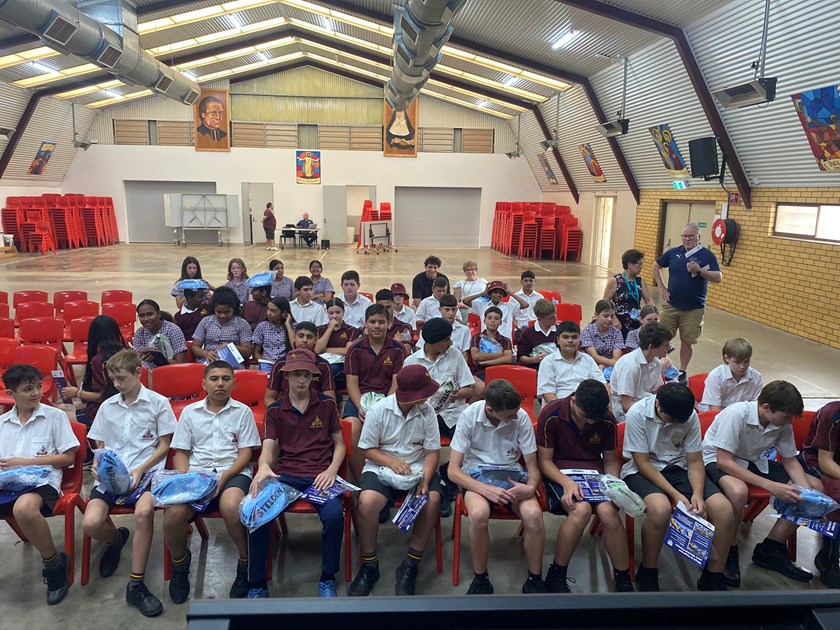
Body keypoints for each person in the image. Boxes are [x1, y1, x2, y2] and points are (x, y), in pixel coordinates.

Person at [83, 349, 176, 617]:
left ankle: (136, 583)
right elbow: (100, 444)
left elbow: (164, 445)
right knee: (90, 523)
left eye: (121, 378)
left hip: (146, 474)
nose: (116, 384)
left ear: (138, 373)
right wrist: (98, 464)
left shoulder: (158, 403)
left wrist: (140, 468)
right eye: (112, 379)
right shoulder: (108, 406)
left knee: (144, 512)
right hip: (112, 475)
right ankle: (115, 540)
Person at [247, 349, 345, 598]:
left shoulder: (327, 405)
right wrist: (264, 466)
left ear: (313, 377)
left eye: (306, 375)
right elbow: (268, 448)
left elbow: (340, 444)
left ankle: (327, 577)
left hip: (320, 476)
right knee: (257, 513)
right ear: (285, 377)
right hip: (286, 476)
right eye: (295, 375)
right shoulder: (275, 410)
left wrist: (332, 470)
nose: (301, 380)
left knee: (334, 517)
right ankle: (257, 583)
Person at [703, 381, 821, 587]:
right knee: (738, 493)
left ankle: (771, 548)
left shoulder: (781, 422)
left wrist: (807, 492)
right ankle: (730, 550)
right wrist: (771, 486)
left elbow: (790, 460)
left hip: (752, 462)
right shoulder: (736, 414)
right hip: (716, 460)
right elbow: (724, 461)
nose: (787, 422)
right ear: (766, 407)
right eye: (785, 417)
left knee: (815, 488)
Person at [164, 361, 262, 604]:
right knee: (173, 515)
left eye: (226, 379)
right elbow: (182, 452)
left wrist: (224, 478)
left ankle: (244, 562)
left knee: (231, 506)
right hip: (198, 475)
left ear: (233, 383)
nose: (220, 383)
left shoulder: (242, 411)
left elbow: (245, 454)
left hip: (233, 472)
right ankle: (179, 563)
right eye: (214, 378)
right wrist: (186, 479)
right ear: (204, 383)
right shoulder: (190, 412)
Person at [621, 383, 734, 592]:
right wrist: (675, 494)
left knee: (723, 509)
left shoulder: (689, 415)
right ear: (657, 404)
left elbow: (694, 461)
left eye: (678, 422)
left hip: (678, 467)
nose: (675, 424)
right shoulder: (637, 413)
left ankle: (713, 575)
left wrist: (698, 494)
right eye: (670, 420)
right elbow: (642, 462)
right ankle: (648, 570)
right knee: (660, 509)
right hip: (643, 470)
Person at [349, 364, 442, 596]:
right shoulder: (380, 410)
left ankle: (411, 563)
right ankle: (369, 564)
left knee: (431, 499)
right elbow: (366, 448)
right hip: (381, 465)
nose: (428, 396)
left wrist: (425, 479)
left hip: (418, 466)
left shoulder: (427, 412)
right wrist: (390, 462)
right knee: (368, 501)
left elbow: (432, 452)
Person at [447, 379, 545, 595]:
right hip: (476, 474)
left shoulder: (521, 417)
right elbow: (453, 471)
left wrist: (530, 487)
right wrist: (484, 489)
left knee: (534, 515)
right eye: (510, 414)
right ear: (490, 409)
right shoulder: (469, 416)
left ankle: (535, 579)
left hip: (511, 473)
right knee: (479, 514)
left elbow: (533, 467)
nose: (516, 416)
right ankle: (481, 578)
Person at [536, 379, 632, 593]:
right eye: (585, 417)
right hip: (559, 473)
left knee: (608, 512)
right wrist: (566, 482)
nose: (589, 423)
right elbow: (544, 462)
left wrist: (614, 483)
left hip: (593, 474)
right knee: (581, 510)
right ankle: (557, 573)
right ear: (573, 400)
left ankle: (623, 577)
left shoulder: (606, 419)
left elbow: (609, 460)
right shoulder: (551, 415)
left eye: (593, 420)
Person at [0, 363, 79, 605]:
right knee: (18, 506)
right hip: (7, 482)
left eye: (37, 387)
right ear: (11, 395)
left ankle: (54, 564)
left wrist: (22, 462)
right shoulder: (2, 423)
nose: (35, 393)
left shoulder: (54, 416)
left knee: (23, 508)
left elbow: (68, 458)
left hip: (42, 481)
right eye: (27, 389)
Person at [405, 318, 475, 517]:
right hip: (424, 414)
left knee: (470, 446)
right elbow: (406, 396)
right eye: (445, 340)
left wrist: (457, 394)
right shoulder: (411, 362)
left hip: (453, 413)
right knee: (422, 450)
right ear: (431, 342)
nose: (450, 343)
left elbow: (469, 387)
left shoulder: (455, 356)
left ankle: (447, 475)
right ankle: (436, 487)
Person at [345, 304, 406, 482]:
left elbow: (396, 383)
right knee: (352, 428)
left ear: (389, 324)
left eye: (381, 322)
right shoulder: (354, 350)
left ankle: (389, 476)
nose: (377, 326)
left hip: (389, 400)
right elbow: (352, 384)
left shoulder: (398, 349)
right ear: (366, 324)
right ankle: (361, 480)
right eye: (372, 322)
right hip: (359, 399)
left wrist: (382, 408)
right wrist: (361, 407)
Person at [652, 223, 722, 377]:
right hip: (672, 305)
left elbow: (718, 277)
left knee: (687, 341)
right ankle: (658, 365)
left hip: (694, 308)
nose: (688, 239)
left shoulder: (707, 255)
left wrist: (699, 270)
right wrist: (662, 287)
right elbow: (655, 266)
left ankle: (682, 370)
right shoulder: (673, 253)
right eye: (685, 236)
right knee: (662, 337)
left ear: (698, 237)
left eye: (691, 236)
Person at [801, 400, 840, 588]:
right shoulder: (833, 414)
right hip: (818, 463)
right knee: (838, 494)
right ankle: (828, 558)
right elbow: (826, 462)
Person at [61, 314, 127, 425]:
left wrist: (77, 392)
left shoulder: (100, 360)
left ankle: (87, 440)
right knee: (70, 406)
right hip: (125, 407)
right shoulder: (128, 353)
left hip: (107, 412)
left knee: (60, 412)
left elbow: (104, 397)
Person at [610, 322, 672, 422]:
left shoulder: (656, 363)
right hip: (625, 414)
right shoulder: (630, 366)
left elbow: (656, 392)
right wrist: (656, 412)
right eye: (665, 345)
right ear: (651, 347)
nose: (668, 348)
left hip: (646, 406)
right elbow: (626, 406)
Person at [265, 324, 336, 407]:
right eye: (301, 336)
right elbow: (269, 398)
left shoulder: (323, 365)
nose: (304, 340)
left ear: (316, 339)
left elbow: (330, 399)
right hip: (284, 410)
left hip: (315, 411)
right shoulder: (280, 363)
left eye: (309, 337)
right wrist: (279, 414)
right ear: (294, 337)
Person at [537, 320, 605, 402]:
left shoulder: (587, 359)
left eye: (574, 337)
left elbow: (602, 384)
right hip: (559, 407)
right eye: (565, 337)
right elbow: (548, 394)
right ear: (558, 340)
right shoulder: (548, 362)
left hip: (587, 406)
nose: (570, 341)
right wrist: (566, 410)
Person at [191, 287, 253, 365]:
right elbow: (194, 346)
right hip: (209, 362)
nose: (222, 316)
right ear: (214, 309)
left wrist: (229, 347)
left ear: (233, 309)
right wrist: (205, 354)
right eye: (219, 312)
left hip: (233, 365)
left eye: (227, 312)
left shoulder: (242, 323)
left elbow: (247, 351)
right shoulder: (206, 321)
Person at [699, 337, 762, 412]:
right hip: (718, 415)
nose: (742, 366)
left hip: (741, 416)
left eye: (746, 361)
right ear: (726, 358)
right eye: (737, 362)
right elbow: (714, 411)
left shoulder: (757, 378)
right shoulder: (716, 376)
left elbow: (755, 409)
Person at [603, 249, 653, 339]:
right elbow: (605, 302)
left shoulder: (640, 281)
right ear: (630, 264)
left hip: (636, 321)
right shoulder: (616, 281)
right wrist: (613, 318)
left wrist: (651, 315)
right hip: (619, 322)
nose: (641, 266)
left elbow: (649, 300)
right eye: (639, 263)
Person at [315, 298, 359, 391]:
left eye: (338, 312)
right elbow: (318, 350)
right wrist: (329, 329)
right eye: (331, 313)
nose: (334, 316)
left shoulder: (351, 330)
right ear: (326, 313)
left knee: (331, 370)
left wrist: (326, 349)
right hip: (322, 362)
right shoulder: (320, 329)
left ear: (343, 312)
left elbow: (348, 351)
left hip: (341, 365)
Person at [463, 280, 527, 342]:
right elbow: (465, 301)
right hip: (487, 343)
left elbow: (525, 305)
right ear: (490, 294)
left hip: (505, 343)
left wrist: (510, 293)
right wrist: (483, 293)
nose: (497, 295)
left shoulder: (509, 306)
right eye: (495, 292)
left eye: (500, 293)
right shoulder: (482, 306)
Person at [133, 299, 187, 372]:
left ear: (159, 314)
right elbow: (135, 360)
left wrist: (159, 359)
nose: (145, 319)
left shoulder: (173, 330)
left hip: (170, 371)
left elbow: (181, 363)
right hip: (145, 373)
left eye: (150, 314)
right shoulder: (139, 332)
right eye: (141, 316)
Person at [579, 300, 625, 374]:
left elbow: (616, 358)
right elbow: (594, 356)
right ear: (596, 315)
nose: (610, 319)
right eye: (606, 316)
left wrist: (603, 365)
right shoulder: (587, 331)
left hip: (610, 367)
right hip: (589, 366)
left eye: (612, 316)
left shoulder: (616, 333)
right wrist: (604, 364)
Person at [470, 306, 513, 383]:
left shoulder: (506, 340)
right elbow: (476, 356)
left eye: (496, 319)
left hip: (501, 372)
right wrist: (499, 354)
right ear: (484, 321)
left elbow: (508, 359)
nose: (493, 321)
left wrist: (484, 362)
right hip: (481, 373)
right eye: (489, 318)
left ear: (500, 322)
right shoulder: (477, 338)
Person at [516, 298, 557, 370]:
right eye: (551, 318)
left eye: (554, 316)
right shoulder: (528, 334)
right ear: (539, 319)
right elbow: (521, 359)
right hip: (536, 371)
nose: (555, 319)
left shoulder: (560, 330)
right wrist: (535, 359)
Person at [252, 297, 294, 363]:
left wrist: (288, 324)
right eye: (268, 309)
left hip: (286, 363)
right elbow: (256, 353)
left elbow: (294, 346)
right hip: (267, 362)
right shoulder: (262, 326)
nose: (268, 313)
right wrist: (265, 361)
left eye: (273, 311)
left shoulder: (292, 327)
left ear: (283, 313)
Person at [514, 270, 544, 338]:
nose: (528, 283)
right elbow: (511, 315)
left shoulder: (539, 297)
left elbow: (543, 315)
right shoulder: (515, 297)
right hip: (519, 329)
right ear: (521, 282)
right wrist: (518, 327)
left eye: (531, 281)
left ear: (534, 282)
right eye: (526, 280)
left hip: (536, 328)